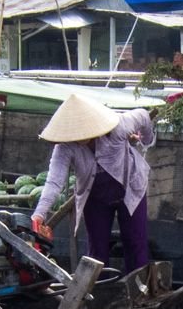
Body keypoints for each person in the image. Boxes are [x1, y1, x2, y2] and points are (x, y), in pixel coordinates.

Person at [31, 93, 156, 274]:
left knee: (135, 241)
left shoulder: (119, 127)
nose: (80, 137)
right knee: (97, 251)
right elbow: (54, 181)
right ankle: (97, 293)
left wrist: (146, 140)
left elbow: (144, 116)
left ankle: (140, 294)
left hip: (130, 187)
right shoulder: (65, 147)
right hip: (95, 196)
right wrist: (39, 214)